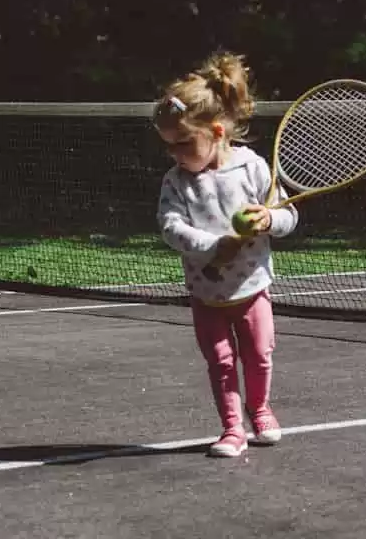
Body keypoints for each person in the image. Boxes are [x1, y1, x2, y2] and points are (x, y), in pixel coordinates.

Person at [152, 52, 299, 458]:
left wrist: (269, 219)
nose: (176, 154)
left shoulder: (251, 168)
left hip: (252, 289)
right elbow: (171, 227)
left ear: (216, 131)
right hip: (206, 295)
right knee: (220, 361)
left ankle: (260, 409)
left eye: (184, 143)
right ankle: (232, 429)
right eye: (170, 147)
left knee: (259, 355)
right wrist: (213, 247)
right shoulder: (176, 182)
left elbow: (289, 216)